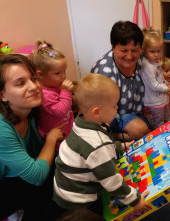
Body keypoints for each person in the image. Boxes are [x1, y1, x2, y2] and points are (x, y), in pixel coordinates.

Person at [50, 73, 151, 220]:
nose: (117, 108)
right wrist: (135, 200)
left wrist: (120, 146)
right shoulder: (98, 144)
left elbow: (92, 150)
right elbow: (111, 180)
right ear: (97, 112)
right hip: (79, 202)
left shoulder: (79, 123)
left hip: (63, 191)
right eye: (114, 106)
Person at [0, 54, 64, 220]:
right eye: (20, 83)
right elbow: (37, 175)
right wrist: (50, 140)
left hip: (7, 179)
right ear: (2, 95)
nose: (34, 86)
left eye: (33, 79)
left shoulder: (31, 111)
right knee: (51, 177)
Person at [91, 21, 150, 141]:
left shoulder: (142, 59)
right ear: (113, 46)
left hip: (137, 113)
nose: (129, 56)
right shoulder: (104, 72)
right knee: (141, 130)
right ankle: (110, 137)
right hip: (112, 116)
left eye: (134, 50)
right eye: (123, 51)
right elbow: (101, 112)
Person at [33, 39, 74, 150]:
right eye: (57, 73)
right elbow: (60, 111)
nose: (63, 76)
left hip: (67, 131)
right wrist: (66, 91)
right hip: (56, 141)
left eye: (64, 71)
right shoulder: (44, 94)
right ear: (40, 75)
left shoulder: (55, 86)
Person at [140, 28, 170, 129]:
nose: (156, 54)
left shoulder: (155, 61)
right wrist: (167, 88)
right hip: (154, 102)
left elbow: (160, 78)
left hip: (161, 99)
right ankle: (162, 138)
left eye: (159, 51)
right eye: (152, 51)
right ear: (144, 50)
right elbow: (154, 85)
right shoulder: (147, 66)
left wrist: (168, 83)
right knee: (159, 124)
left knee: (167, 118)